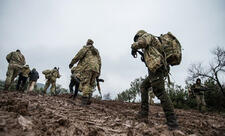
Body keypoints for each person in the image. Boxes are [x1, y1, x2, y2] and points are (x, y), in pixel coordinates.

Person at [131, 30, 179, 130]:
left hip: (157, 68)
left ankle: (172, 122)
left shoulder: (146, 36)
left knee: (160, 92)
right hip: (156, 69)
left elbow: (142, 42)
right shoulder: (151, 42)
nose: (137, 40)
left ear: (139, 35)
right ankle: (144, 113)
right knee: (144, 86)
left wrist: (133, 46)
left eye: (137, 38)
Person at [69, 39, 101, 105]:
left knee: (86, 83)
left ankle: (84, 100)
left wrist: (72, 63)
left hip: (88, 67)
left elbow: (78, 56)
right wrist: (98, 73)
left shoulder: (86, 48)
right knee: (91, 84)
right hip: (96, 69)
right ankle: (88, 99)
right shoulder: (96, 52)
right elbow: (100, 62)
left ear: (87, 43)